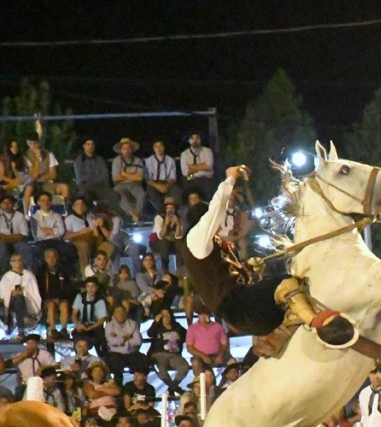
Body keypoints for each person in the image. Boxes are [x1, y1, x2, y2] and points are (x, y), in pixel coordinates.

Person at [183, 165, 355, 345]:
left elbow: (225, 276)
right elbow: (215, 210)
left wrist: (248, 268)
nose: (220, 223)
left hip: (242, 307)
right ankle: (320, 326)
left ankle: (286, 332)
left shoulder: (209, 245)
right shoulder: (196, 241)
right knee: (287, 284)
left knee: (295, 281)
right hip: (238, 308)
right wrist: (230, 179)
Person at [0, 252, 42, 341]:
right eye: (15, 261)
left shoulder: (29, 276)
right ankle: (23, 321)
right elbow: (1, 293)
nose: (18, 263)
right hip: (9, 303)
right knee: (16, 298)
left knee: (19, 299)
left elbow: (34, 292)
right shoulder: (7, 276)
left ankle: (22, 327)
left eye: (19, 260)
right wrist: (10, 293)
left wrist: (23, 293)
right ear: (11, 263)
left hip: (27, 301)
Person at [147, 307, 189, 393]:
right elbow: (149, 333)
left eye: (168, 314)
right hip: (159, 354)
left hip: (175, 355)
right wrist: (155, 322)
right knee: (161, 369)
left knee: (185, 366)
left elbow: (187, 335)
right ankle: (176, 389)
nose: (167, 317)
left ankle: (172, 388)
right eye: (164, 315)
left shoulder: (177, 326)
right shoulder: (157, 328)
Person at [110, 138, 146, 223]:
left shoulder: (138, 160)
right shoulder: (116, 161)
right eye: (124, 148)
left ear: (132, 149)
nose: (127, 150)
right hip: (120, 185)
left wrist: (124, 174)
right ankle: (135, 215)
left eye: (129, 148)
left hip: (135, 184)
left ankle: (135, 215)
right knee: (119, 194)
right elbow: (116, 178)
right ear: (121, 150)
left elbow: (140, 178)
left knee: (142, 194)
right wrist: (133, 176)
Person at [72, 137, 115, 207]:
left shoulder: (100, 160)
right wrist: (96, 179)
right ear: (84, 146)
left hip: (99, 187)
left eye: (92, 145)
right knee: (85, 195)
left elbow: (105, 176)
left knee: (115, 195)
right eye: (88, 144)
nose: (90, 147)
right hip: (86, 187)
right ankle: (91, 213)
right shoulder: (78, 160)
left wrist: (95, 181)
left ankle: (101, 210)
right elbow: (81, 178)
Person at [180, 131, 215, 201]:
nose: (195, 140)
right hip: (191, 180)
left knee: (207, 195)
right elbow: (185, 172)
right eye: (192, 138)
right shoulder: (184, 154)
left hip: (205, 180)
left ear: (200, 140)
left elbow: (208, 166)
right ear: (189, 140)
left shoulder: (207, 151)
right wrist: (202, 167)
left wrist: (191, 166)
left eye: (197, 138)